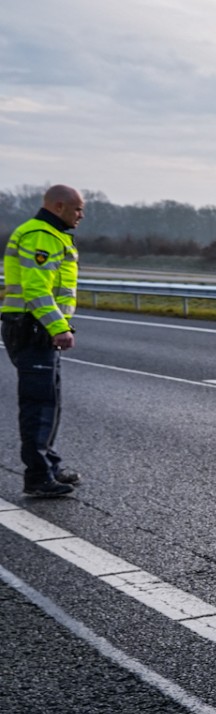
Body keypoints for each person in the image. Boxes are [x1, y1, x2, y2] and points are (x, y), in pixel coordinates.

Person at [3, 184, 84, 498]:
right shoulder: (43, 236)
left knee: (49, 400)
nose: (81, 216)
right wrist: (58, 328)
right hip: (33, 327)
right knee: (39, 404)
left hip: (34, 327)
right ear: (59, 206)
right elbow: (37, 290)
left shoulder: (51, 234)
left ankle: (48, 465)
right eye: (77, 209)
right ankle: (38, 476)